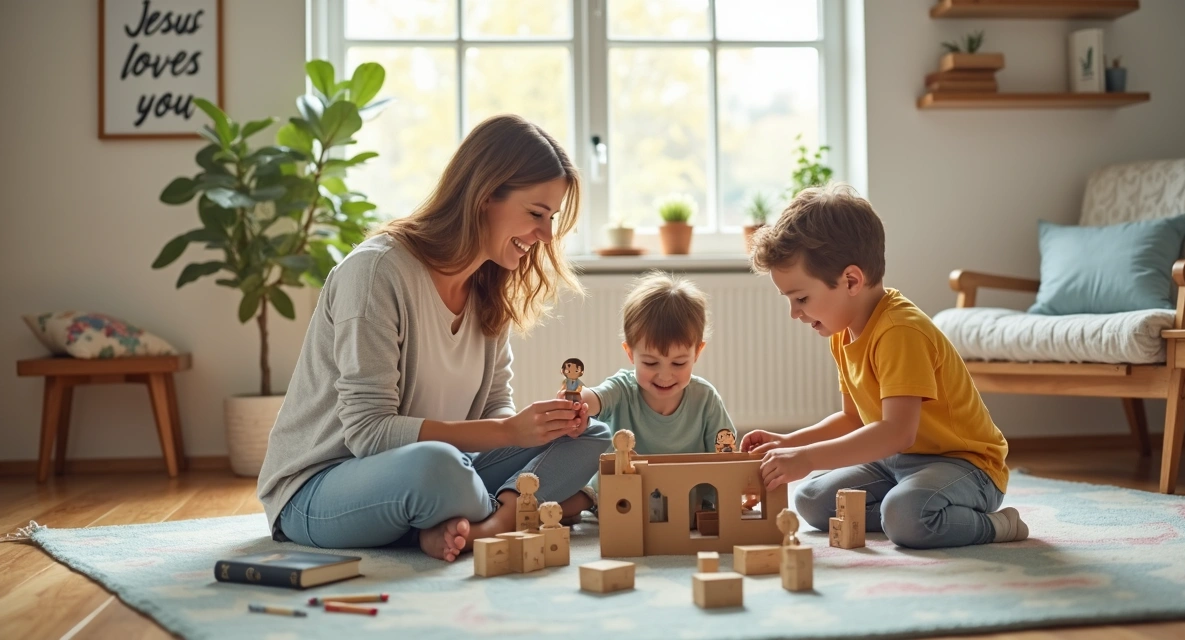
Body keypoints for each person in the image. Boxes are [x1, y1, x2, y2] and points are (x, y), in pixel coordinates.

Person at [257, 115, 611, 562]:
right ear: (485, 196)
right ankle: (503, 516)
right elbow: (368, 433)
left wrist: (531, 428)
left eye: (551, 218)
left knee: (593, 436)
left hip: (446, 471)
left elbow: (491, 410)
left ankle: (477, 525)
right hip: (320, 487)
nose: (545, 236)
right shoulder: (376, 273)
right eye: (537, 214)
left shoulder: (489, 287)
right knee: (440, 467)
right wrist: (508, 432)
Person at [742, 183, 1028, 549]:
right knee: (811, 500)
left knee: (905, 517)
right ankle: (910, 508)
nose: (794, 312)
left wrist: (809, 457)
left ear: (851, 281)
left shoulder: (900, 331)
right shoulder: (842, 333)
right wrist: (790, 443)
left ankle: (996, 525)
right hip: (895, 462)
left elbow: (897, 432)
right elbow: (855, 419)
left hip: (966, 466)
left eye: (800, 298)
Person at [569, 271, 737, 518]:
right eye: (650, 363)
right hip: (622, 502)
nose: (665, 376)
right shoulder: (622, 388)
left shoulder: (705, 399)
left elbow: (726, 455)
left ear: (697, 352)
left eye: (679, 363)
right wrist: (577, 401)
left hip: (687, 506)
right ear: (630, 353)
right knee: (573, 497)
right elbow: (596, 397)